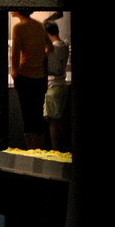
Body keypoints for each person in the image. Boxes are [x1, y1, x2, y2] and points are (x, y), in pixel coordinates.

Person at [10, 10, 51, 149]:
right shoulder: (39, 25)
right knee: (38, 114)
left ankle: (31, 149)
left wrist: (14, 72)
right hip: (40, 76)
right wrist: (38, 57)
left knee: (27, 115)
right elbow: (50, 47)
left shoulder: (18, 27)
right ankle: (40, 148)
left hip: (25, 76)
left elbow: (15, 53)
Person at [43, 19, 70, 152]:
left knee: (53, 123)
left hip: (53, 87)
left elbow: (50, 68)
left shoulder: (53, 48)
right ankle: (64, 150)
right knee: (60, 122)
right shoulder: (64, 45)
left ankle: (57, 150)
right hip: (62, 85)